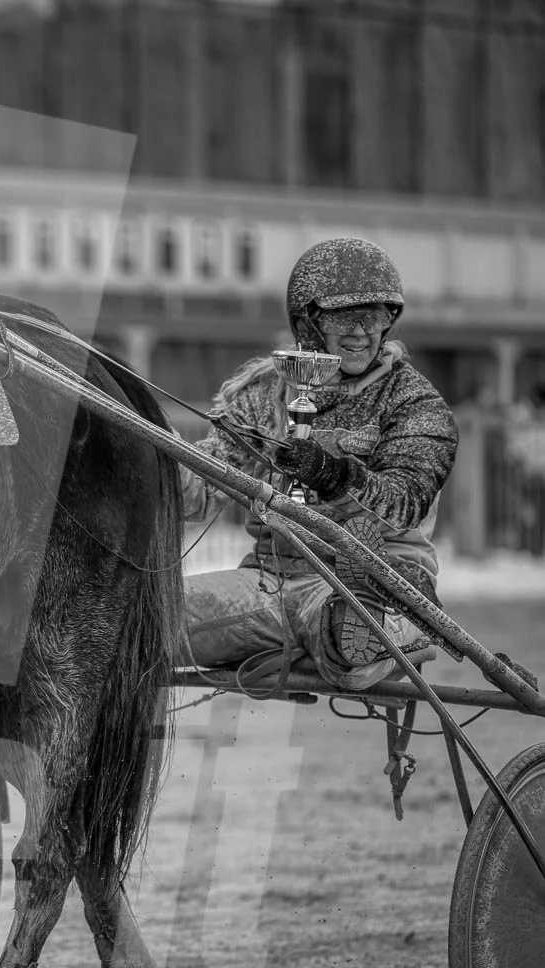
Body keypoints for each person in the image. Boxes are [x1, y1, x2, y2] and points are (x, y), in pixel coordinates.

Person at [181, 237, 460, 691]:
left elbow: (404, 503)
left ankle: (370, 622)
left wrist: (332, 474)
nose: (361, 331)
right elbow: (201, 492)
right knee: (134, 617)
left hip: (375, 578)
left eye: (373, 316)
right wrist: (148, 451)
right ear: (308, 321)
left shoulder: (415, 404)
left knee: (347, 626)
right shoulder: (267, 393)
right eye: (342, 316)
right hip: (267, 583)